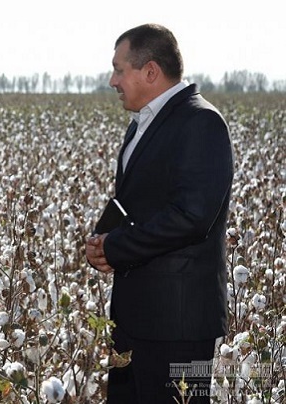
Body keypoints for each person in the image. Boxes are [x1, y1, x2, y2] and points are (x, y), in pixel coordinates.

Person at [86, 24, 233, 403]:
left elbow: (192, 216)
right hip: (135, 321)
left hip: (178, 328)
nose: (112, 80)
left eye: (120, 69)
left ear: (150, 71)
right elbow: (139, 204)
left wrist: (117, 247)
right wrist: (103, 241)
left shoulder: (201, 123)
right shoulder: (143, 125)